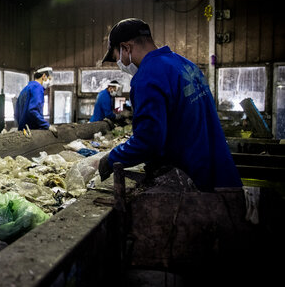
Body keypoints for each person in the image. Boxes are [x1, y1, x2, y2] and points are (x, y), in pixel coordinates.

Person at [97, 18, 242, 191]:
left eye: (117, 58)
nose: (121, 65)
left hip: (192, 185)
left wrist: (110, 159)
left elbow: (148, 142)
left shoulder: (148, 76)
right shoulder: (185, 64)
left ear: (126, 48)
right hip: (221, 176)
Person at [14, 66, 57, 136]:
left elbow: (16, 113)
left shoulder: (27, 88)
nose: (49, 82)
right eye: (49, 78)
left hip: (23, 130)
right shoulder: (37, 88)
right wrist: (47, 125)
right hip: (32, 131)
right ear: (44, 76)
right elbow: (33, 110)